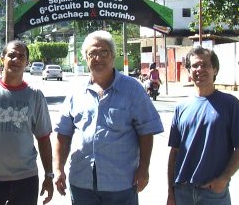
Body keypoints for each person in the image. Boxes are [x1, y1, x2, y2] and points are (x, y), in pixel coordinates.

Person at [54, 30, 164, 205]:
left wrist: (144, 169)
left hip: (121, 184)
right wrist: (58, 169)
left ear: (113, 56)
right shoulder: (76, 92)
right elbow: (63, 133)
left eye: (104, 52)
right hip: (82, 183)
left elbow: (146, 132)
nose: (98, 58)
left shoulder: (133, 90)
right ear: (85, 58)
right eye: (92, 53)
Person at [0, 40, 54, 205]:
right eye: (11, 55)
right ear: (2, 59)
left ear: (27, 62)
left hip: (26, 180)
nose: (17, 59)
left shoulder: (35, 95)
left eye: (22, 56)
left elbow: (43, 138)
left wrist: (49, 175)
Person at [167, 46, 239, 205]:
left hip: (213, 193)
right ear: (188, 71)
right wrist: (170, 191)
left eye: (205, 65)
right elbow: (174, 152)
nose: (199, 69)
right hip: (183, 192)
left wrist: (223, 179)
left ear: (215, 70)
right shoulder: (181, 107)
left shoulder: (230, 104)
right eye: (194, 66)